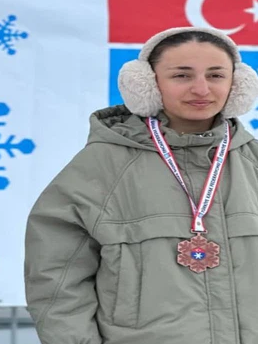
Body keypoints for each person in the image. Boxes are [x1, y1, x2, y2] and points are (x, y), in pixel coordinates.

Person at [24, 26, 258, 344]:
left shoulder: (252, 163)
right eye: (182, 76)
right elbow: (56, 279)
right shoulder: (102, 166)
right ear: (146, 84)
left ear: (238, 84)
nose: (201, 89)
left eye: (216, 76)